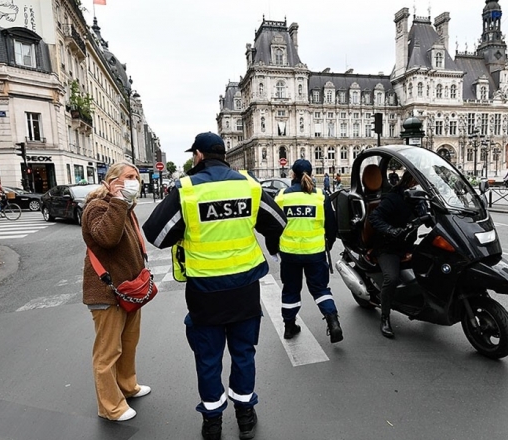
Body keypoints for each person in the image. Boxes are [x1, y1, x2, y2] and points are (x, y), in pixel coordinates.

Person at [142, 132, 286, 440]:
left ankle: (213, 421)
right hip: (245, 289)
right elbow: (278, 223)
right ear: (223, 154)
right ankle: (245, 416)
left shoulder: (187, 189)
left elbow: (155, 234)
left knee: (208, 358)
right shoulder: (249, 185)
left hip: (205, 292)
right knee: (244, 353)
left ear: (198, 156)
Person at [81, 162, 151, 422]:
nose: (135, 180)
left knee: (128, 344)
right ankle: (110, 407)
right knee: (107, 352)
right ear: (112, 181)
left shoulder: (125, 207)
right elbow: (107, 238)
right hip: (106, 291)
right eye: (129, 177)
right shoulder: (97, 207)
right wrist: (118, 200)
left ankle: (127, 386)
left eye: (136, 176)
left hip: (129, 290)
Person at [275, 159, 342, 343]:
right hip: (315, 253)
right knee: (321, 289)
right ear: (311, 174)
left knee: (290, 290)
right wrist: (328, 243)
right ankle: (333, 321)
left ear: (293, 175)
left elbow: (273, 226)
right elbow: (331, 225)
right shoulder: (321, 196)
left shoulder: (282, 196)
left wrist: (274, 248)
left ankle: (289, 327)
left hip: (289, 254)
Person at [368, 171, 424, 339]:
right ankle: (385, 317)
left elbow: (428, 216)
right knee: (391, 278)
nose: (417, 187)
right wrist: (390, 230)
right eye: (415, 184)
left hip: (407, 244)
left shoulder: (419, 200)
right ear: (408, 182)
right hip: (388, 246)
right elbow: (374, 217)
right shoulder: (392, 199)